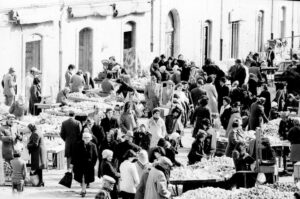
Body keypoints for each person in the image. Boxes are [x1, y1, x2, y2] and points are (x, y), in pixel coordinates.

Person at [72, 132, 98, 197]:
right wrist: (72, 164)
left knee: (85, 178)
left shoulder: (93, 145)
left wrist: (93, 164)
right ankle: (83, 188)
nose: (86, 139)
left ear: (90, 138)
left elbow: (95, 156)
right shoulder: (78, 144)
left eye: (88, 138)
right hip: (79, 164)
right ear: (82, 138)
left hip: (88, 165)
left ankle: (83, 191)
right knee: (80, 178)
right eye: (85, 137)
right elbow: (74, 155)